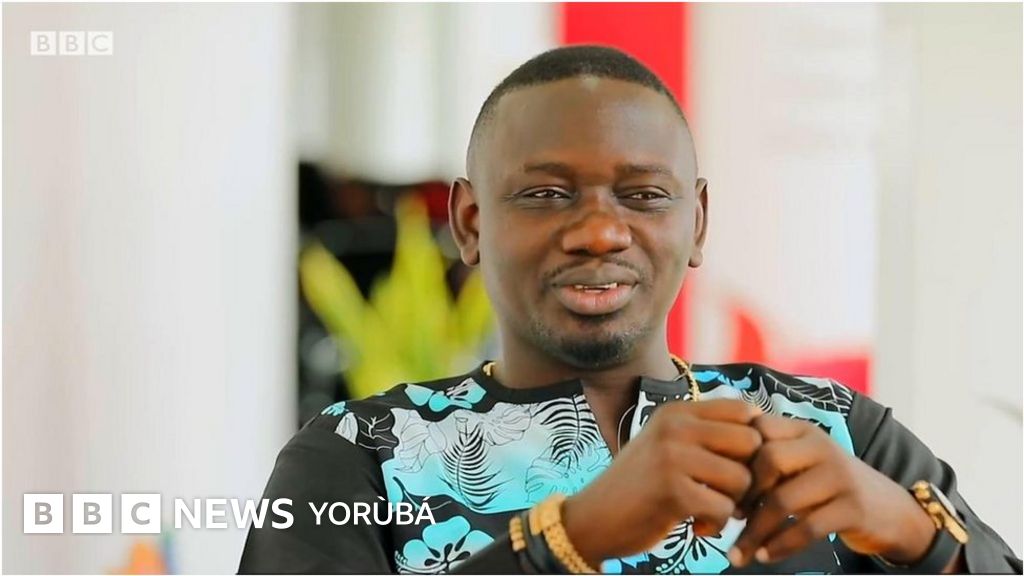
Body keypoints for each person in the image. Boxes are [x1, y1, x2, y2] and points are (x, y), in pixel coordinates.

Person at [238, 45, 1021, 575]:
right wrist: (566, 539)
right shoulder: (356, 457)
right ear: (471, 224)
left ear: (697, 223)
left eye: (644, 196)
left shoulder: (837, 431)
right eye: (547, 194)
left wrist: (916, 533)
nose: (601, 232)